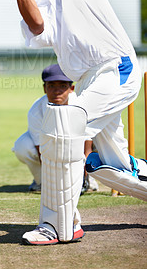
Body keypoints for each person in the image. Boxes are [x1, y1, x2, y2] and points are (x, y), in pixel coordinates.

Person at [0, 0, 147, 245]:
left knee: (66, 132)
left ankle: (60, 224)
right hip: (89, 80)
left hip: (115, 68)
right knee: (109, 170)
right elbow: (37, 26)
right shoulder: (36, 6)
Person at [12, 63, 98, 194]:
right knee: (22, 146)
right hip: (52, 146)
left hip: (78, 146)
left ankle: (89, 177)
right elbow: (41, 149)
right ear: (44, 88)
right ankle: (41, 180)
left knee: (102, 139)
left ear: (71, 88)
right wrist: (51, 182)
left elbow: (87, 145)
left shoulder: (81, 106)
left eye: (63, 86)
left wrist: (83, 177)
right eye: (51, 86)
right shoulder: (37, 110)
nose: (57, 91)